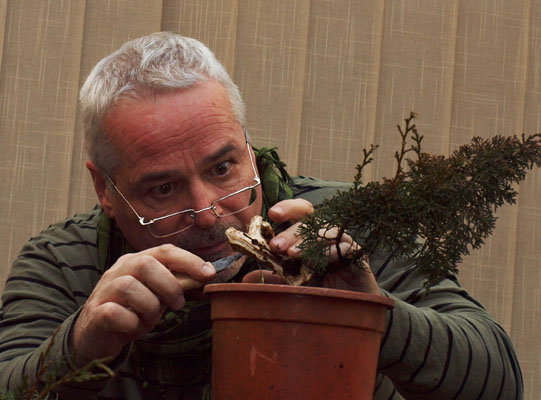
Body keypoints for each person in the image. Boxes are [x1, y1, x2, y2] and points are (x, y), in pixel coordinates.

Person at [0, 32, 523, 399]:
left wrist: (371, 314)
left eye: (223, 168)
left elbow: (499, 381)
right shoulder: (63, 263)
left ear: (248, 148)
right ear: (105, 189)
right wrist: (79, 346)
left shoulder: (342, 229)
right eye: (163, 188)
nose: (209, 214)